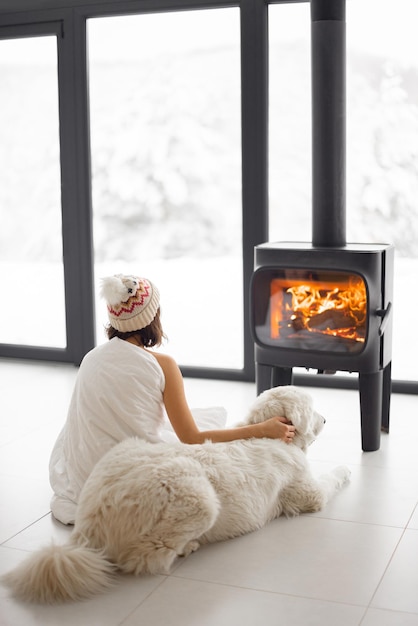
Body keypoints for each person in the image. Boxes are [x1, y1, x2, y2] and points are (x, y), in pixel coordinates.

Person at [49, 273, 295, 524]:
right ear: (153, 317)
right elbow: (192, 438)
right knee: (206, 430)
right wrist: (262, 429)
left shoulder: (91, 358)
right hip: (129, 479)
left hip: (85, 478)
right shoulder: (163, 365)